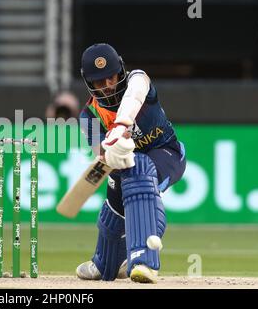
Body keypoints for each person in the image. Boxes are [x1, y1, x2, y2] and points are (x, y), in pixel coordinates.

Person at [76, 43, 186, 283]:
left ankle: (144, 260)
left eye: (111, 77)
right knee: (116, 204)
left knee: (140, 168)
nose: (107, 86)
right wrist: (110, 151)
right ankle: (103, 261)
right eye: (99, 81)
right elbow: (102, 158)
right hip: (124, 167)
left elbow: (134, 95)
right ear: (88, 82)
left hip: (166, 153)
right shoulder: (88, 117)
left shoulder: (138, 80)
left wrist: (121, 126)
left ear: (121, 70)